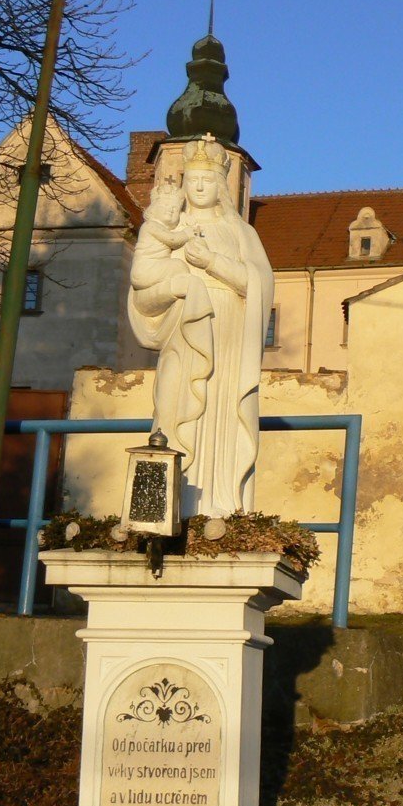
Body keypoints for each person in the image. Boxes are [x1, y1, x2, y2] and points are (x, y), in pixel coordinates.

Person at [127, 135, 274, 520]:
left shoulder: (242, 233)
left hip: (226, 330)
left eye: (207, 180)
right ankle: (169, 509)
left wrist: (211, 262)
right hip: (182, 328)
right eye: (192, 179)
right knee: (173, 408)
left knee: (221, 410)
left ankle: (218, 507)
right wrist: (176, 283)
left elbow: (257, 285)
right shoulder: (166, 226)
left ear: (222, 185)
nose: (199, 187)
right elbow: (143, 290)